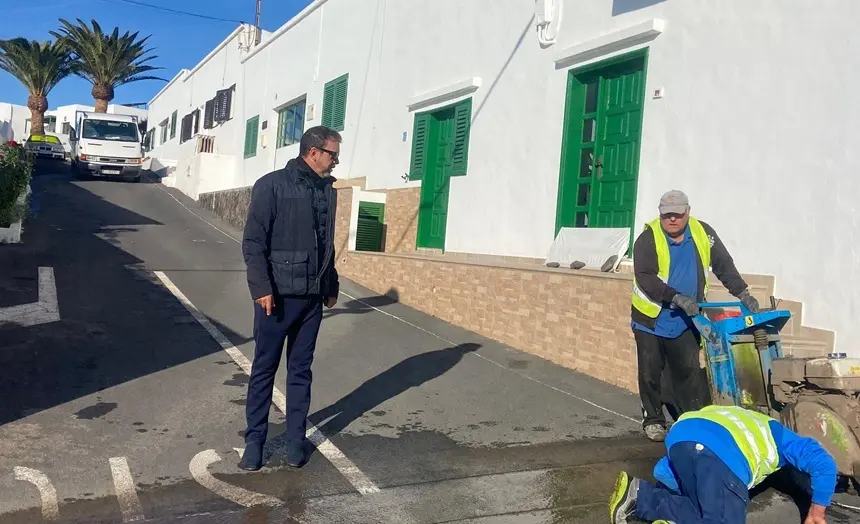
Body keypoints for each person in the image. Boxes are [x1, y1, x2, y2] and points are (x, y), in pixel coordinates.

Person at [238, 126, 342, 471]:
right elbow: (253, 242)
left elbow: (326, 242)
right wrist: (262, 288)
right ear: (313, 152)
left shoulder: (329, 191)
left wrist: (330, 284)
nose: (335, 160)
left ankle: (296, 441)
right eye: (332, 154)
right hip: (276, 298)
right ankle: (254, 441)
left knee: (300, 372)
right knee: (264, 370)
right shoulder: (272, 185)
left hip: (312, 300)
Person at [631, 190, 759, 442]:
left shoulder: (703, 233)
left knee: (687, 371)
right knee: (650, 371)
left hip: (687, 318)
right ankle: (653, 419)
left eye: (678, 214)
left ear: (687, 211)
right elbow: (645, 277)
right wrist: (675, 296)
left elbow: (723, 264)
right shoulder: (648, 238)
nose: (672, 220)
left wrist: (742, 292)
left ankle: (689, 420)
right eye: (667, 215)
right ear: (660, 214)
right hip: (651, 318)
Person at [609, 405, 838, 524]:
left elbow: (663, 471)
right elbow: (825, 464)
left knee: (703, 508)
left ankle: (641, 498)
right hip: (720, 452)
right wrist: (816, 512)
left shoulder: (743, 417)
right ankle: (644, 500)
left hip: (680, 435)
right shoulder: (782, 437)